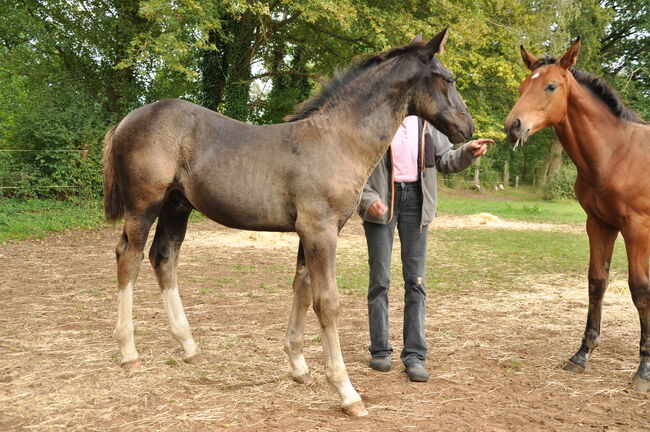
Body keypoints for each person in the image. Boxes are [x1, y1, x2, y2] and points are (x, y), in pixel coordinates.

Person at [358, 115, 491, 382]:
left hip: (417, 203)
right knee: (380, 280)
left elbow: (444, 160)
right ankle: (380, 350)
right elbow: (355, 167)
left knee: (416, 282)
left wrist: (468, 152)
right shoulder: (377, 118)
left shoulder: (429, 122)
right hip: (382, 201)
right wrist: (368, 200)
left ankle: (414, 355)